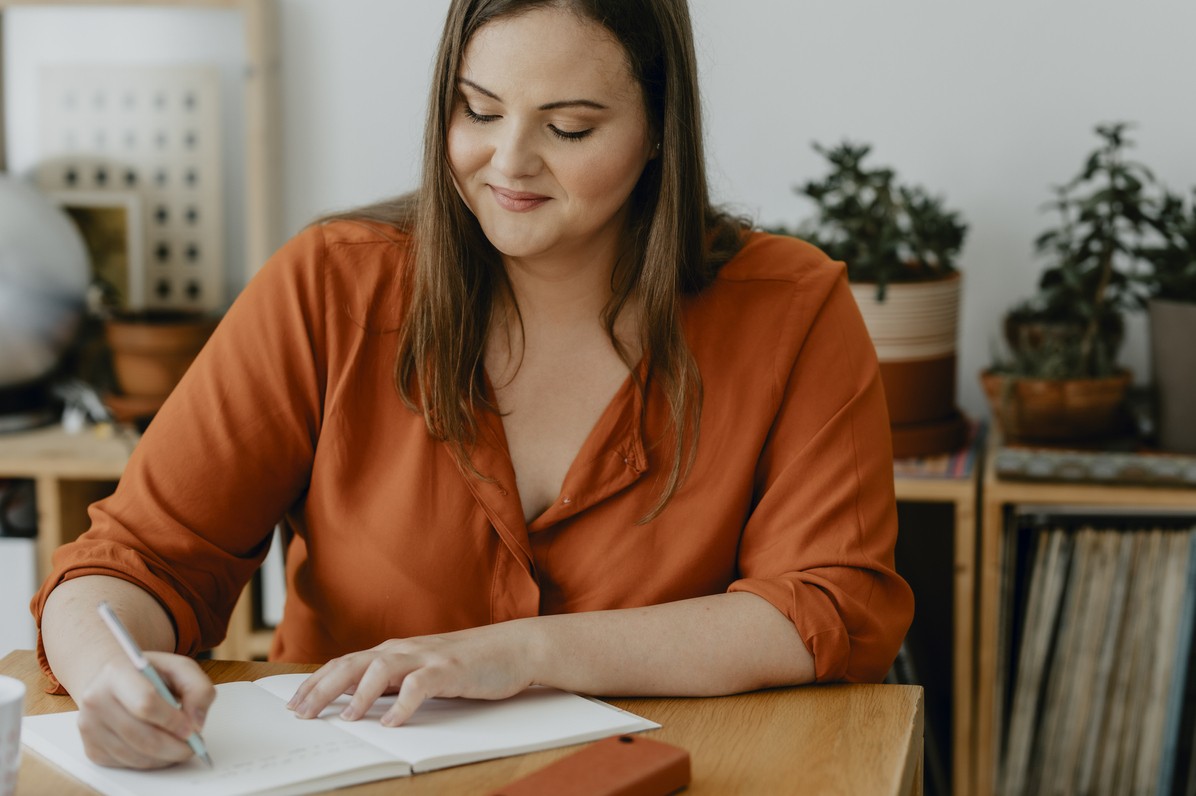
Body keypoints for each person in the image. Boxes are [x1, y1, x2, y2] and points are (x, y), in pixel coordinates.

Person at [33, 0, 914, 770]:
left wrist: (521, 652)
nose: (509, 162)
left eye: (569, 128)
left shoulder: (790, 309)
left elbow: (827, 605)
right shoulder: (331, 286)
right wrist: (114, 677)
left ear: (659, 130)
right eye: (478, 109)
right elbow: (134, 562)